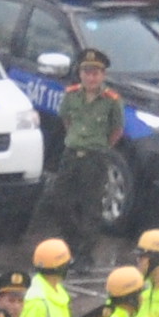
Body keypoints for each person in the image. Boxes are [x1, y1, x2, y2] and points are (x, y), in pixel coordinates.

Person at [40, 49, 124, 250]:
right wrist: (76, 140)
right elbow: (67, 120)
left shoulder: (111, 100)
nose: (91, 77)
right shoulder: (71, 95)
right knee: (61, 202)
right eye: (86, 72)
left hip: (95, 157)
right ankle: (72, 242)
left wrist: (100, 146)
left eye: (95, 73)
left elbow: (117, 130)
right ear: (80, 74)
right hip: (71, 155)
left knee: (91, 207)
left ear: (102, 75)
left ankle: (85, 254)